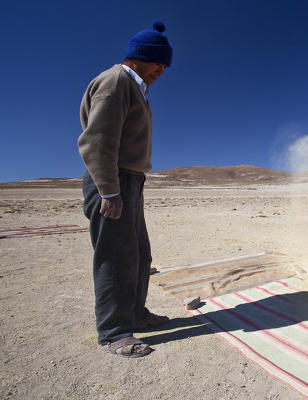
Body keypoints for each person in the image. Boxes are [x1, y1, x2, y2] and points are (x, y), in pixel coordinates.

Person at [78, 21, 173, 357]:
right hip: (113, 180)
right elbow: (97, 140)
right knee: (116, 258)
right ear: (140, 57)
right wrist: (108, 190)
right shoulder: (116, 81)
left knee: (139, 255)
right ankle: (115, 332)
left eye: (164, 66)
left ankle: (135, 313)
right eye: (158, 63)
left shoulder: (135, 88)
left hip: (130, 180)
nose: (161, 71)